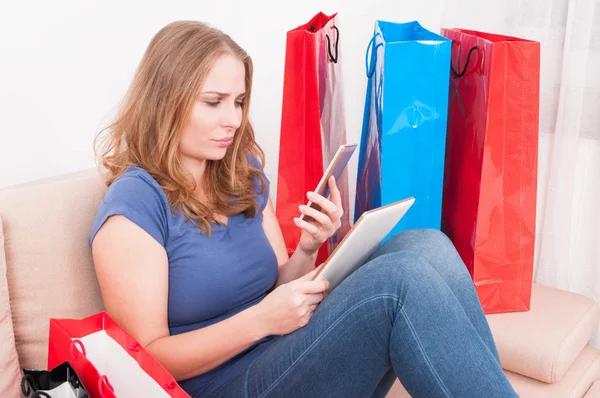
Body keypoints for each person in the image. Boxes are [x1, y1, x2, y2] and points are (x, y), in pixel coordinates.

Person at [89, 20, 518, 398]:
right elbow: (147, 357)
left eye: (238, 102)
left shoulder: (239, 172)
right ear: (166, 100)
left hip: (286, 351)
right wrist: (261, 322)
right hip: (222, 386)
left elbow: (277, 286)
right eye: (214, 101)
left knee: (426, 244)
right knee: (398, 282)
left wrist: (309, 248)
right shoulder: (135, 206)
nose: (234, 120)